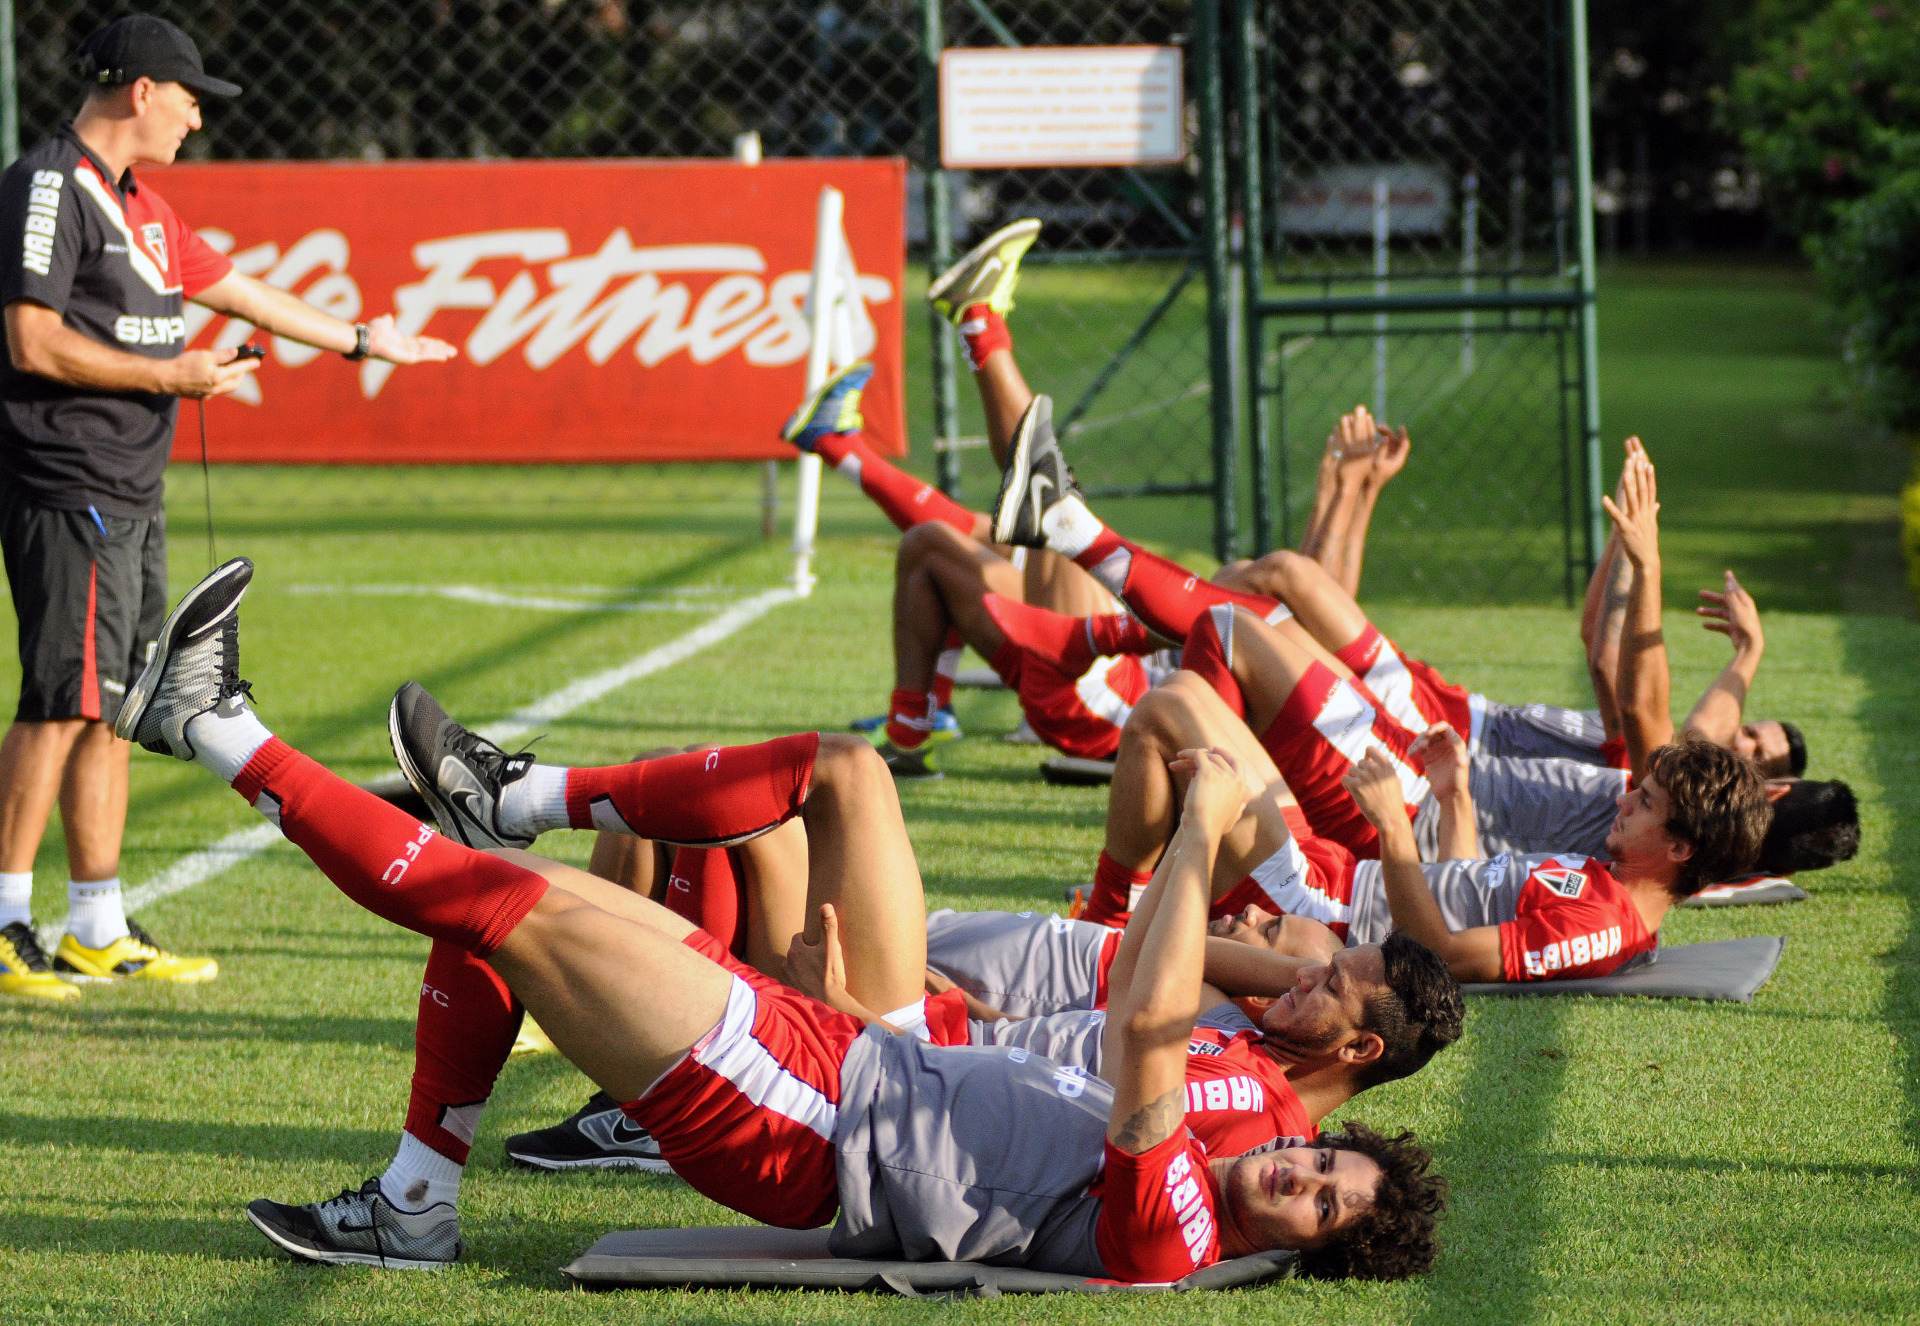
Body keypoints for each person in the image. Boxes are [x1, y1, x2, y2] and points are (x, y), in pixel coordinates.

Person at [112, 558, 1446, 1280]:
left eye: (1321, 1205)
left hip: (812, 1119)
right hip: (840, 1052)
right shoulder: (1247, 1126)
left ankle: (214, 724)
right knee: (507, 905)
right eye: (1332, 1167)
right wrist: (859, 1005)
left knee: (503, 899)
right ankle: (415, 1201)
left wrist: (1204, 826)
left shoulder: (1178, 1233)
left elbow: (1151, 1026)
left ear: (1307, 1250)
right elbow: (1122, 1044)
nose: (1301, 1173)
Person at [0, 14, 456, 998]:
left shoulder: (148, 208)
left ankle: (95, 924)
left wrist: (364, 342)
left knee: (109, 712)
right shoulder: (47, 186)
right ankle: (3, 923)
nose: (199, 118)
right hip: (66, 480)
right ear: (140, 91)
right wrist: (170, 373)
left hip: (129, 487)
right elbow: (32, 343)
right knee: (56, 703)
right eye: (191, 96)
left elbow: (242, 292)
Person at [779, 361, 1152, 779]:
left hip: (1101, 703)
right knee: (931, 545)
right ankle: (910, 735)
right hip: (1087, 679)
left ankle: (977, 326)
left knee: (1050, 499)